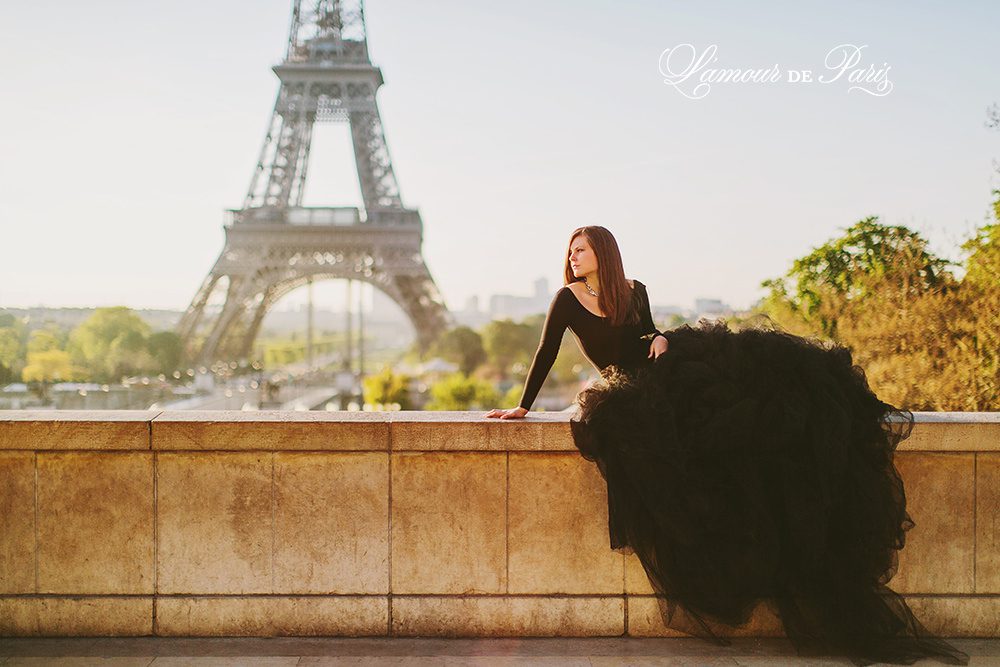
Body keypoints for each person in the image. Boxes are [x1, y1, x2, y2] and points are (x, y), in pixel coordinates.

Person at [483, 225, 969, 667]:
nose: (572, 257)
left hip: (662, 375)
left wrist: (659, 338)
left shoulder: (635, 291)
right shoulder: (566, 298)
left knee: (765, 404)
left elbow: (646, 331)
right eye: (569, 251)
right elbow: (546, 350)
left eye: (581, 249)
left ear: (603, 254)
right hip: (627, 393)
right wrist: (523, 406)